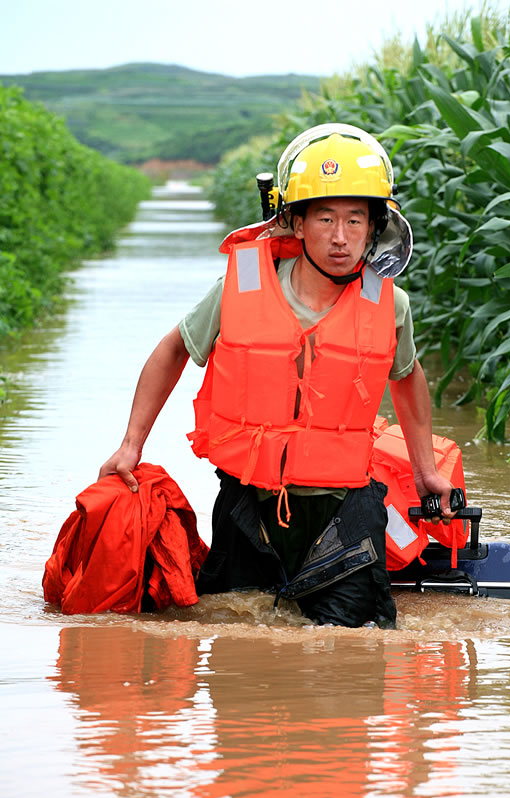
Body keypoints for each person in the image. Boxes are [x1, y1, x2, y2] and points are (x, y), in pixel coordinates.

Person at [99, 123, 455, 629]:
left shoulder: (389, 304)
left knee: (351, 661)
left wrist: (424, 472)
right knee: (238, 657)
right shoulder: (240, 287)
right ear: (296, 222)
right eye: (325, 218)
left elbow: (407, 377)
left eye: (355, 220)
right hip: (248, 504)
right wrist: (131, 445)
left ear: (375, 227)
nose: (340, 237)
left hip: (345, 510)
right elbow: (172, 350)